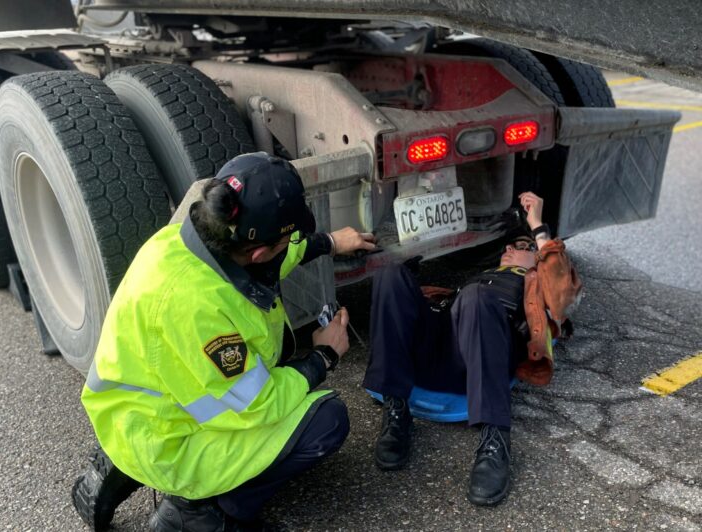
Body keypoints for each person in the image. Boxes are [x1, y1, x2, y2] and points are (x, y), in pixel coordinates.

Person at [72, 152, 376, 531]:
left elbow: (271, 258)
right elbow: (259, 404)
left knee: (275, 355)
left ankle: (120, 464)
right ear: (260, 251)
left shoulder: (183, 240)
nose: (288, 247)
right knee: (327, 420)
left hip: (133, 414)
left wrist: (330, 242)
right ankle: (199, 511)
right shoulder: (199, 309)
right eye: (287, 240)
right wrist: (324, 355)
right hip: (170, 440)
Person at [362, 191, 581, 507]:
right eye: (508, 245)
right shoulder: (482, 280)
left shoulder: (539, 284)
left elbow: (564, 290)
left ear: (538, 257)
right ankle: (396, 411)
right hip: (440, 344)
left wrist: (537, 226)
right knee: (390, 275)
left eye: (521, 246)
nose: (508, 248)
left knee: (477, 297)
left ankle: (495, 441)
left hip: (481, 357)